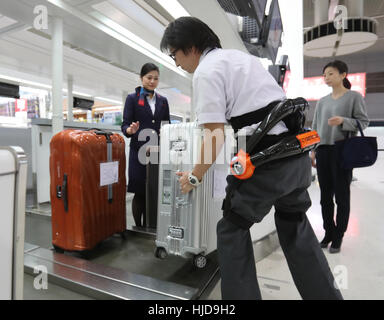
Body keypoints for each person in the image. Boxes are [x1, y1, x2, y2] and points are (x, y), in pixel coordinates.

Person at [160, 16, 342, 300]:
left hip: (267, 163)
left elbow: (214, 135)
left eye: (175, 56)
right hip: (296, 158)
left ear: (191, 47)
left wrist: (194, 176)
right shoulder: (242, 59)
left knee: (231, 230)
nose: (177, 64)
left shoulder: (206, 72)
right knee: (295, 225)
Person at [311, 60, 369, 253]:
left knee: (341, 196)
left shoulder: (353, 97)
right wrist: (312, 149)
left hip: (342, 151)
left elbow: (363, 121)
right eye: (325, 75)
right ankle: (328, 232)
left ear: (343, 74)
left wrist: (343, 121)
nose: (326, 78)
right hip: (323, 151)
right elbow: (315, 127)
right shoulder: (322, 101)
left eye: (331, 74)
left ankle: (338, 235)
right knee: (325, 197)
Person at [121, 63, 170, 227]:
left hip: (156, 152)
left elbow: (167, 124)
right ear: (141, 78)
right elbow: (125, 125)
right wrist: (130, 130)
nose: (152, 81)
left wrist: (167, 132)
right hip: (138, 151)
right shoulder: (132, 99)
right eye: (149, 77)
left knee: (154, 190)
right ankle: (139, 228)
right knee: (140, 192)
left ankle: (152, 225)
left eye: (156, 78)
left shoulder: (163, 101)